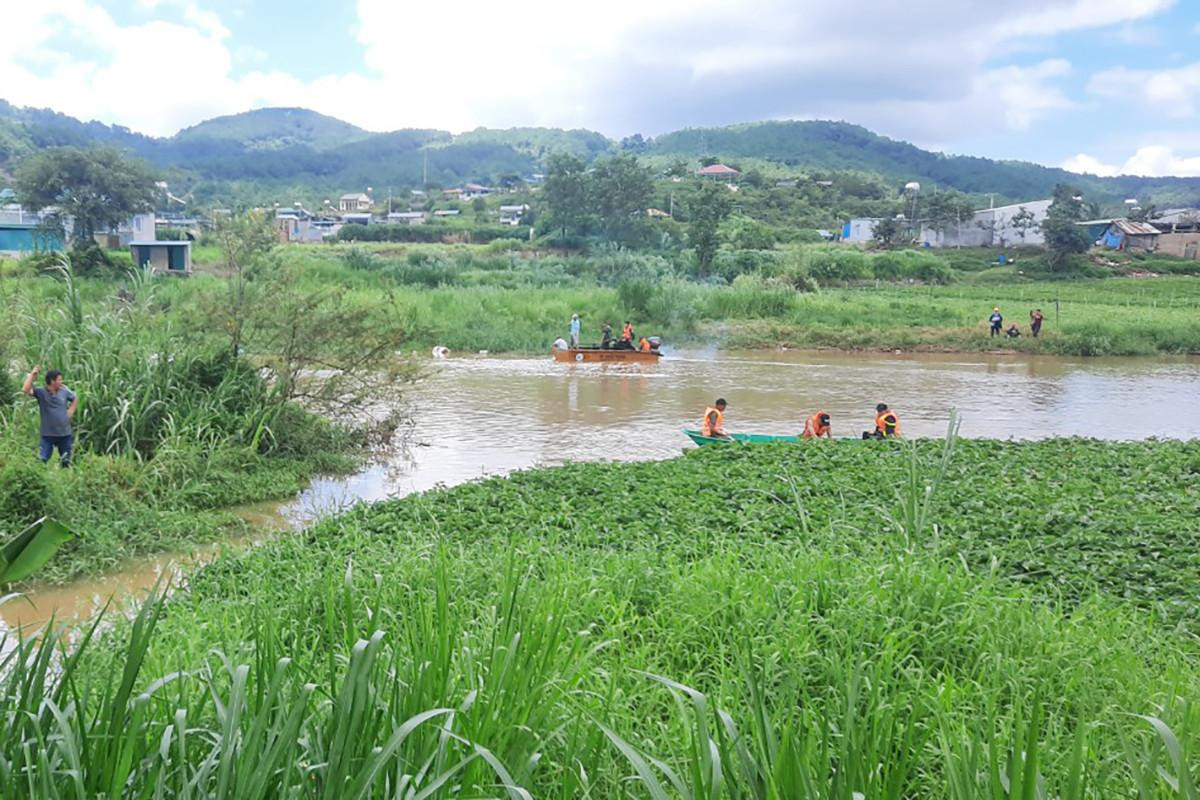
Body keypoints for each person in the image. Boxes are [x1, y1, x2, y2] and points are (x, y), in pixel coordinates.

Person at [22, 366, 78, 467]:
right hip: (48, 435)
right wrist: (32, 375)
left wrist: (71, 411)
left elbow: (75, 398)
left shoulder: (64, 391)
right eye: (59, 379)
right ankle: (39, 480)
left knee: (65, 461)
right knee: (42, 460)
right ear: (52, 381)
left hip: (64, 434)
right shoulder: (41, 392)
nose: (62, 381)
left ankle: (63, 481)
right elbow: (25, 390)